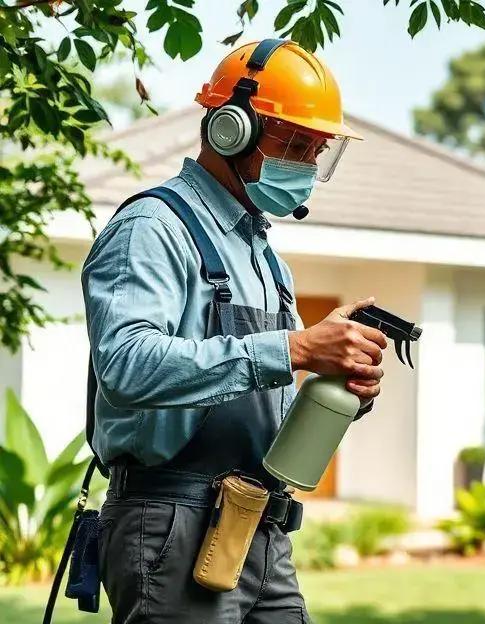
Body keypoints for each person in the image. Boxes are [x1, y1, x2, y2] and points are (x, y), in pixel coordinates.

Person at [82, 39, 379, 623]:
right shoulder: (154, 228)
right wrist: (295, 347)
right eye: (295, 143)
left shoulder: (264, 255)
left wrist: (341, 384)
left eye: (318, 150)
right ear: (229, 129)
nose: (307, 164)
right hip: (170, 523)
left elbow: (262, 393)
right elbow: (125, 365)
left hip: (259, 529)